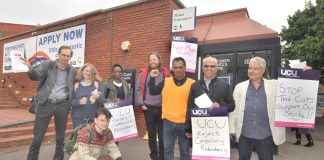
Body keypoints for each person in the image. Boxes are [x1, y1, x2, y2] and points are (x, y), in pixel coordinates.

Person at [22, 45, 75, 160]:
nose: (65, 58)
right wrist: (30, 69)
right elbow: (36, 76)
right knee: (38, 137)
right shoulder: (48, 65)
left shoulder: (72, 70)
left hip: (63, 105)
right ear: (58, 54)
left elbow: (83, 80)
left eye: (68, 56)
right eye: (63, 55)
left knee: (60, 137)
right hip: (45, 104)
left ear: (70, 57)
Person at [229, 57, 286, 160]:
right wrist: (231, 128)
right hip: (244, 135)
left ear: (263, 70)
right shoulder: (239, 87)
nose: (251, 71)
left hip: (265, 135)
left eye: (255, 68)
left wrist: (305, 72)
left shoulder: (274, 85)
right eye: (250, 68)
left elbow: (293, 86)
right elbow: (234, 109)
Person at [148, 57, 195, 160]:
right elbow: (152, 91)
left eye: (180, 67)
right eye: (175, 67)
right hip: (168, 122)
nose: (178, 70)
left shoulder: (192, 83)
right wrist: (151, 78)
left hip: (185, 123)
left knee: (185, 150)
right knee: (168, 149)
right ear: (172, 68)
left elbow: (197, 103)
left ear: (185, 68)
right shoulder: (166, 81)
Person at [186, 56, 235, 137]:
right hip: (200, 128)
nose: (209, 68)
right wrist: (188, 128)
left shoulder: (225, 85)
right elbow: (189, 107)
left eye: (212, 66)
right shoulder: (195, 86)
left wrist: (220, 105)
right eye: (206, 66)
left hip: (219, 130)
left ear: (216, 68)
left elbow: (232, 106)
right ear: (202, 68)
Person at [136, 52, 169, 160]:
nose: (152, 61)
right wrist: (142, 103)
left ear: (159, 60)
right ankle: (154, 156)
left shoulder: (165, 73)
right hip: (148, 108)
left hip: (162, 109)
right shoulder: (144, 73)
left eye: (154, 59)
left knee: (163, 135)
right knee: (151, 135)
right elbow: (138, 89)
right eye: (150, 60)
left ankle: (162, 156)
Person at [71, 63, 106, 128]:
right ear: (82, 71)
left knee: (93, 138)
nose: (88, 73)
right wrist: (79, 102)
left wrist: (97, 97)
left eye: (91, 71)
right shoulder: (76, 85)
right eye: (86, 70)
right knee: (80, 137)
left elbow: (103, 102)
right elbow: (70, 101)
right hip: (78, 120)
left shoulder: (97, 84)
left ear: (93, 73)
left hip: (94, 119)